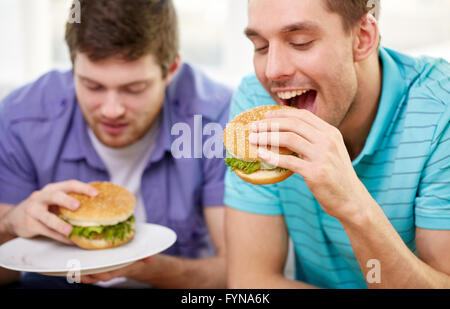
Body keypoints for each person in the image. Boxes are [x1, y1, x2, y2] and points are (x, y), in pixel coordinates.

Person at [0, 0, 231, 289]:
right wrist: (8, 225)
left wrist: (146, 269)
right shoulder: (20, 117)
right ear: (72, 66)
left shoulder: (214, 121)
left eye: (134, 89)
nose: (111, 110)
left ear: (171, 69)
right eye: (92, 86)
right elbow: (5, 275)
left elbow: (238, 273)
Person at [225, 0, 450, 289]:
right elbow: (251, 282)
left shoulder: (440, 112)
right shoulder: (256, 100)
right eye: (260, 47)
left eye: (299, 42)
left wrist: (353, 205)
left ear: (362, 38)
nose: (272, 71)